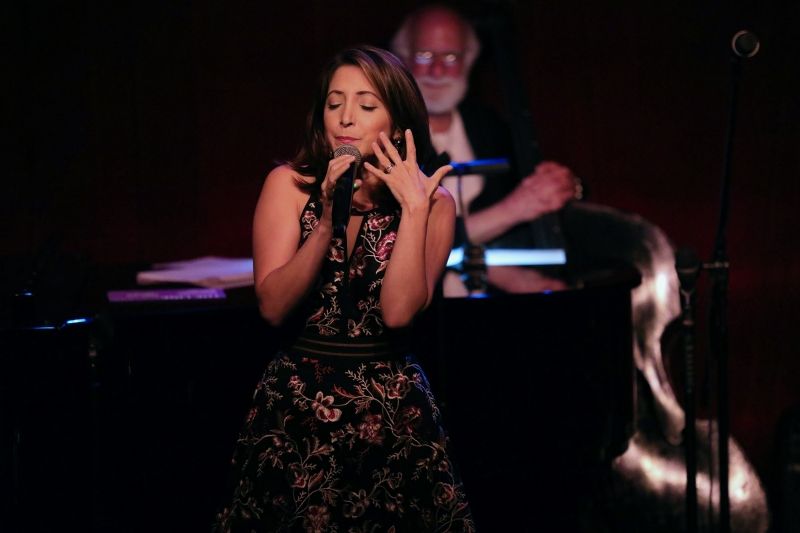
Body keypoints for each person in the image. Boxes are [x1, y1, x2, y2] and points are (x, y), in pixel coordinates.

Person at [213, 45, 475, 532]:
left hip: (391, 410)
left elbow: (398, 313)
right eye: (335, 104)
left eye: (366, 105)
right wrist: (328, 218)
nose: (346, 118)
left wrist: (414, 212)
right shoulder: (287, 185)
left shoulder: (434, 204)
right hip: (297, 407)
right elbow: (271, 306)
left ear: (397, 125)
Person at [391, 5, 580, 294]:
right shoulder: (385, 136)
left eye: (451, 56)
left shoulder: (489, 127)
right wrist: (513, 211)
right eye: (424, 55)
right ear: (401, 59)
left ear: (469, 61)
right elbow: (398, 241)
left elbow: (543, 198)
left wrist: (566, 187)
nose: (437, 69)